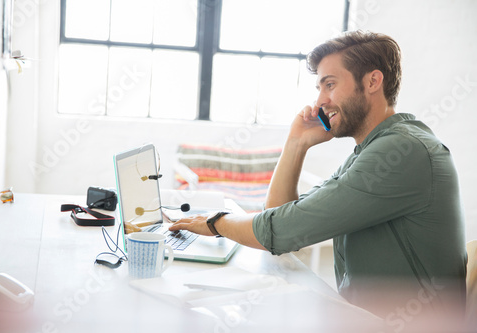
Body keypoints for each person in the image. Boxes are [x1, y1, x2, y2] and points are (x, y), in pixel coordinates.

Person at [169, 30, 467, 319]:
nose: (320, 101)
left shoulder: (403, 152)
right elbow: (279, 217)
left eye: (330, 84)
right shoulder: (372, 150)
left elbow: (283, 231)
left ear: (373, 81)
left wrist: (215, 223)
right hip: (362, 318)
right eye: (319, 88)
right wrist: (296, 144)